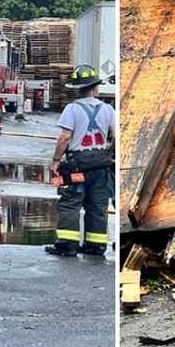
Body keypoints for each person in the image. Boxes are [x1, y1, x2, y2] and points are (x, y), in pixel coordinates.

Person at [45, 65, 115, 258]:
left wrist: (56, 161)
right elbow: (115, 135)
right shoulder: (108, 109)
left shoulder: (72, 109)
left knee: (70, 203)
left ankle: (67, 245)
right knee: (98, 205)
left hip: (77, 166)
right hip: (101, 166)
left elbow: (65, 137)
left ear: (76, 88)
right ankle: (96, 245)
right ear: (95, 88)